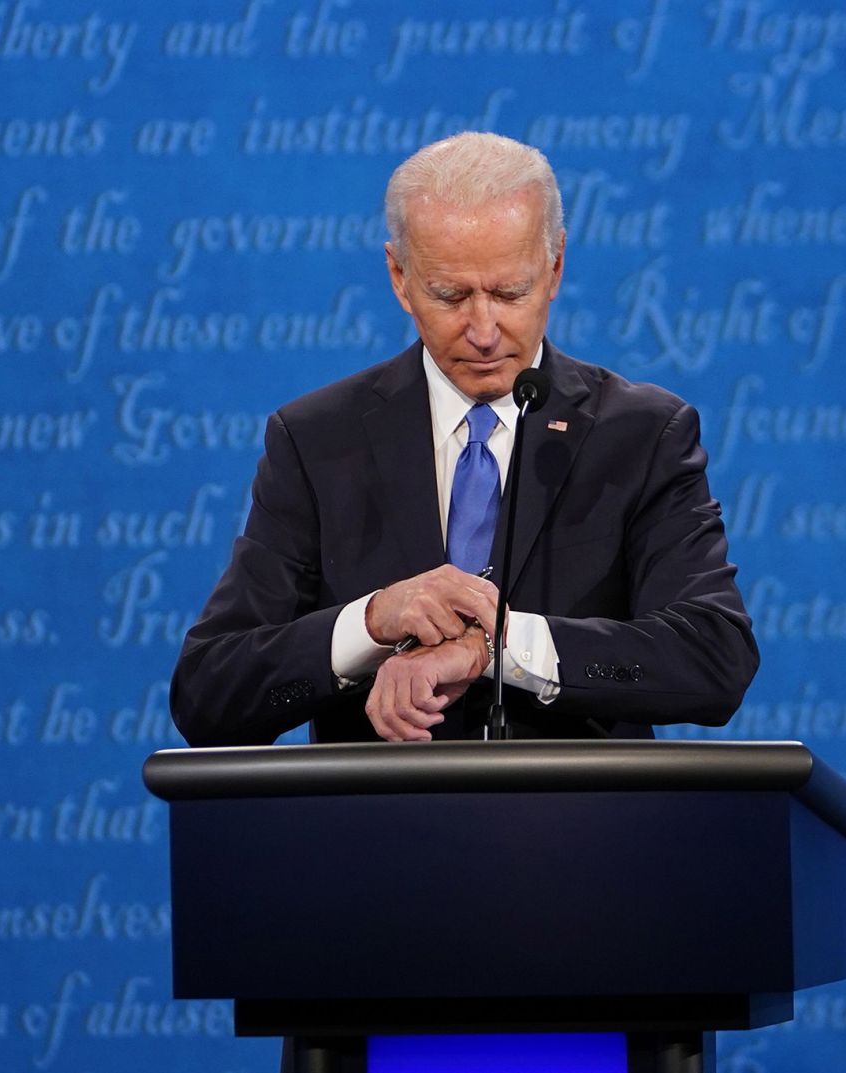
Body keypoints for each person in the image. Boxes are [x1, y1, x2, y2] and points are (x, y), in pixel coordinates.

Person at [170, 132, 756, 745]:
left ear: (555, 267)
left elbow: (714, 656)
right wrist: (370, 624)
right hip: (380, 829)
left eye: (509, 292)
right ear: (399, 277)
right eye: (451, 295)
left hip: (579, 827)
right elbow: (209, 693)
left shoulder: (640, 435)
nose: (483, 329)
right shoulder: (318, 441)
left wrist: (499, 646)